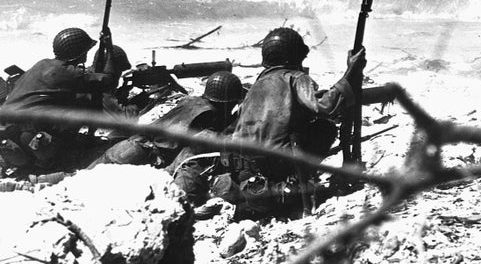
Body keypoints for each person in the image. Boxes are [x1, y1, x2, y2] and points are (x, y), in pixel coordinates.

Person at [223, 26, 365, 220]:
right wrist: (351, 72)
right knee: (326, 128)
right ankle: (298, 182)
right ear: (296, 56)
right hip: (280, 161)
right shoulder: (296, 78)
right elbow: (325, 107)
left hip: (249, 167)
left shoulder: (256, 85)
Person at [88, 70, 245, 205]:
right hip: (140, 154)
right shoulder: (208, 114)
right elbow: (205, 139)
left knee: (82, 180)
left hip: (132, 145)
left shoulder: (192, 101)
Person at [0, 27, 116, 172]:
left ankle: (24, 158)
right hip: (30, 134)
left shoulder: (42, 63)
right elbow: (109, 80)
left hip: (7, 131)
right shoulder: (69, 73)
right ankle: (49, 156)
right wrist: (109, 48)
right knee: (85, 101)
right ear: (81, 53)